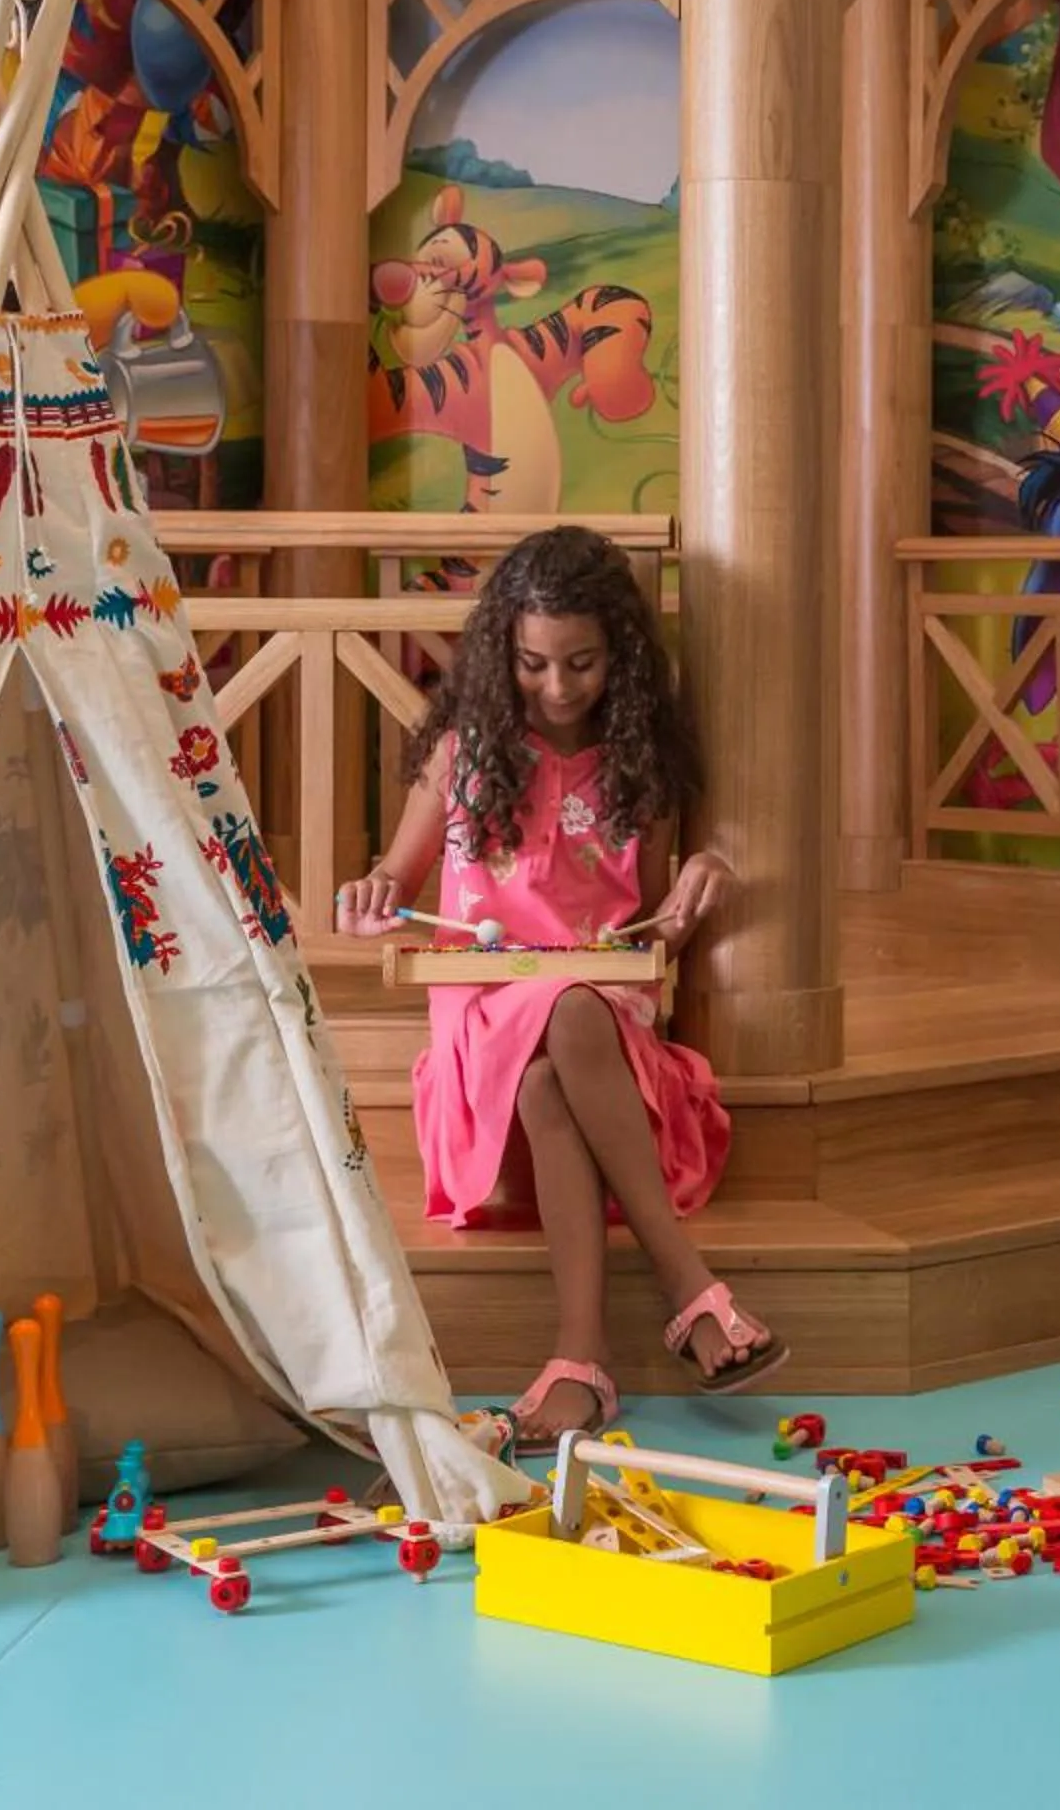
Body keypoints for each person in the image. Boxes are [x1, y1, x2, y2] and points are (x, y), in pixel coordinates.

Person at [334, 525, 783, 1448]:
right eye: (535, 663)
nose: (559, 686)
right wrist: (373, 892)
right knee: (559, 1010)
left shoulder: (638, 760)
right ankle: (686, 1284)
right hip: (482, 1049)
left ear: (619, 649)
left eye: (582, 662)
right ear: (505, 653)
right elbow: (395, 878)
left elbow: (651, 922)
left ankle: (580, 1358)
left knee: (570, 1024)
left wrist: (706, 877)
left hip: (596, 1050)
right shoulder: (462, 752)